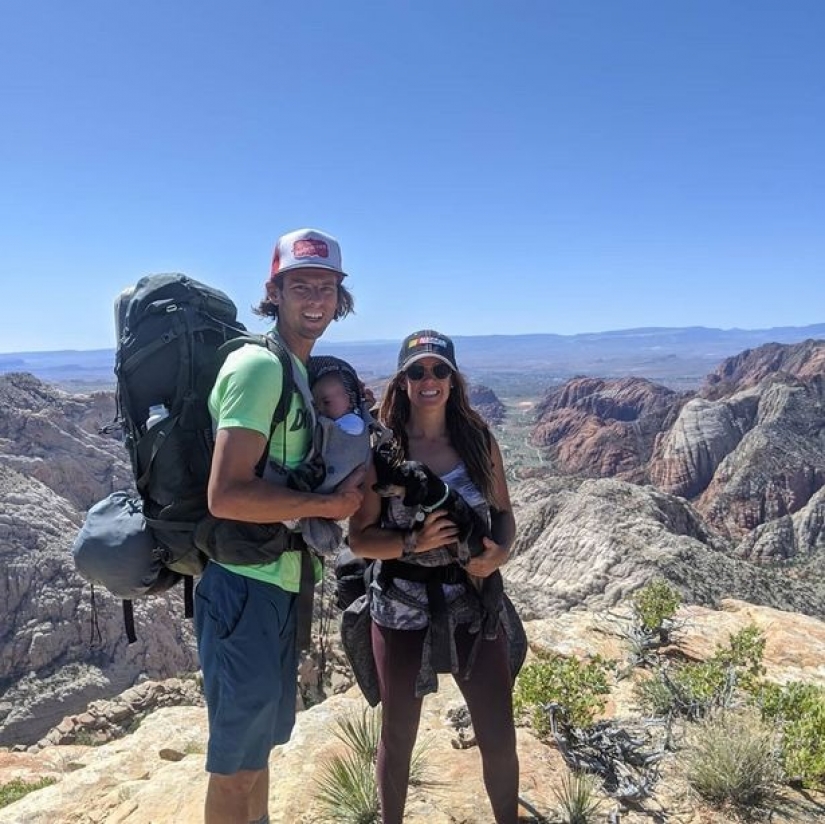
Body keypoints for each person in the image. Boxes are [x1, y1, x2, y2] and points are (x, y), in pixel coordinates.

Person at [195, 228, 365, 824]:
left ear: (339, 297)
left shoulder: (297, 369)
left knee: (258, 751)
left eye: (325, 286)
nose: (314, 298)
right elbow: (226, 494)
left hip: (280, 581)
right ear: (276, 291)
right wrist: (326, 508)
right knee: (235, 766)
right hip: (244, 587)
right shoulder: (259, 368)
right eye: (300, 285)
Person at [348, 330, 520, 824]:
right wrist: (412, 544)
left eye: (439, 370)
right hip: (400, 605)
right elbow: (359, 539)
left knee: (498, 732)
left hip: (473, 600)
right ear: (402, 382)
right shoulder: (382, 450)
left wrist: (499, 553)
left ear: (453, 380)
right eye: (418, 371)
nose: (430, 380)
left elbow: (503, 513)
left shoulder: (477, 440)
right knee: (398, 734)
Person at [311, 369, 366, 435]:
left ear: (351, 399)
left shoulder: (352, 423)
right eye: (316, 406)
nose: (320, 410)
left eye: (326, 402)